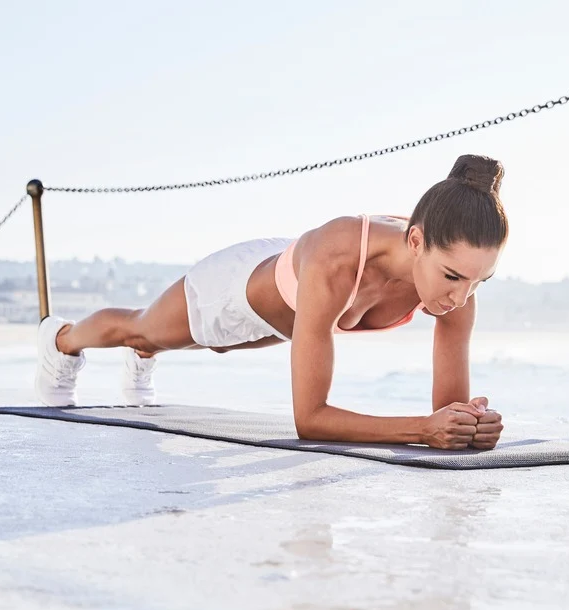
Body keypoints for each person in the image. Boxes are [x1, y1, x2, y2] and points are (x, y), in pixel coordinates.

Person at [34, 154, 507, 450]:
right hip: (235, 288)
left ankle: (145, 355)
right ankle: (61, 339)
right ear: (416, 241)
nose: (461, 297)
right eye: (452, 277)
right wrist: (422, 429)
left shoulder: (457, 279)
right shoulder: (338, 260)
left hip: (286, 316)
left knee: (212, 346)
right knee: (141, 328)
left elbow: (448, 411)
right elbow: (310, 420)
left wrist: (468, 424)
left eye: (479, 281)